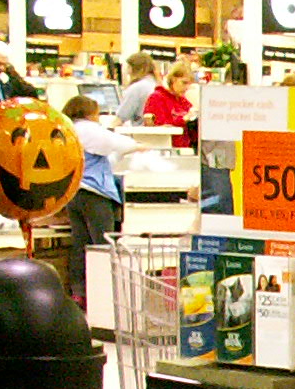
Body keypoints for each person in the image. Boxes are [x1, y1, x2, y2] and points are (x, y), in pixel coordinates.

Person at [60, 96, 137, 306]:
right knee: (103, 245)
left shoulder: (66, 129)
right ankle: (104, 296)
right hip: (95, 194)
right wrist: (137, 146)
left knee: (80, 244)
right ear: (88, 113)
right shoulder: (87, 129)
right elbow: (113, 143)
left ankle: (79, 293)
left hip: (74, 193)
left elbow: (104, 157)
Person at [143, 59, 197, 149]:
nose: (187, 87)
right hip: (165, 150)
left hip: (184, 150)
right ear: (173, 79)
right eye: (184, 83)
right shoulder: (156, 98)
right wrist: (183, 119)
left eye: (189, 84)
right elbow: (161, 128)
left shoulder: (183, 101)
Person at [115, 53, 158, 125]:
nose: (128, 72)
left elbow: (121, 117)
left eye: (128, 68)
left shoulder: (137, 88)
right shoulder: (157, 85)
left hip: (140, 131)